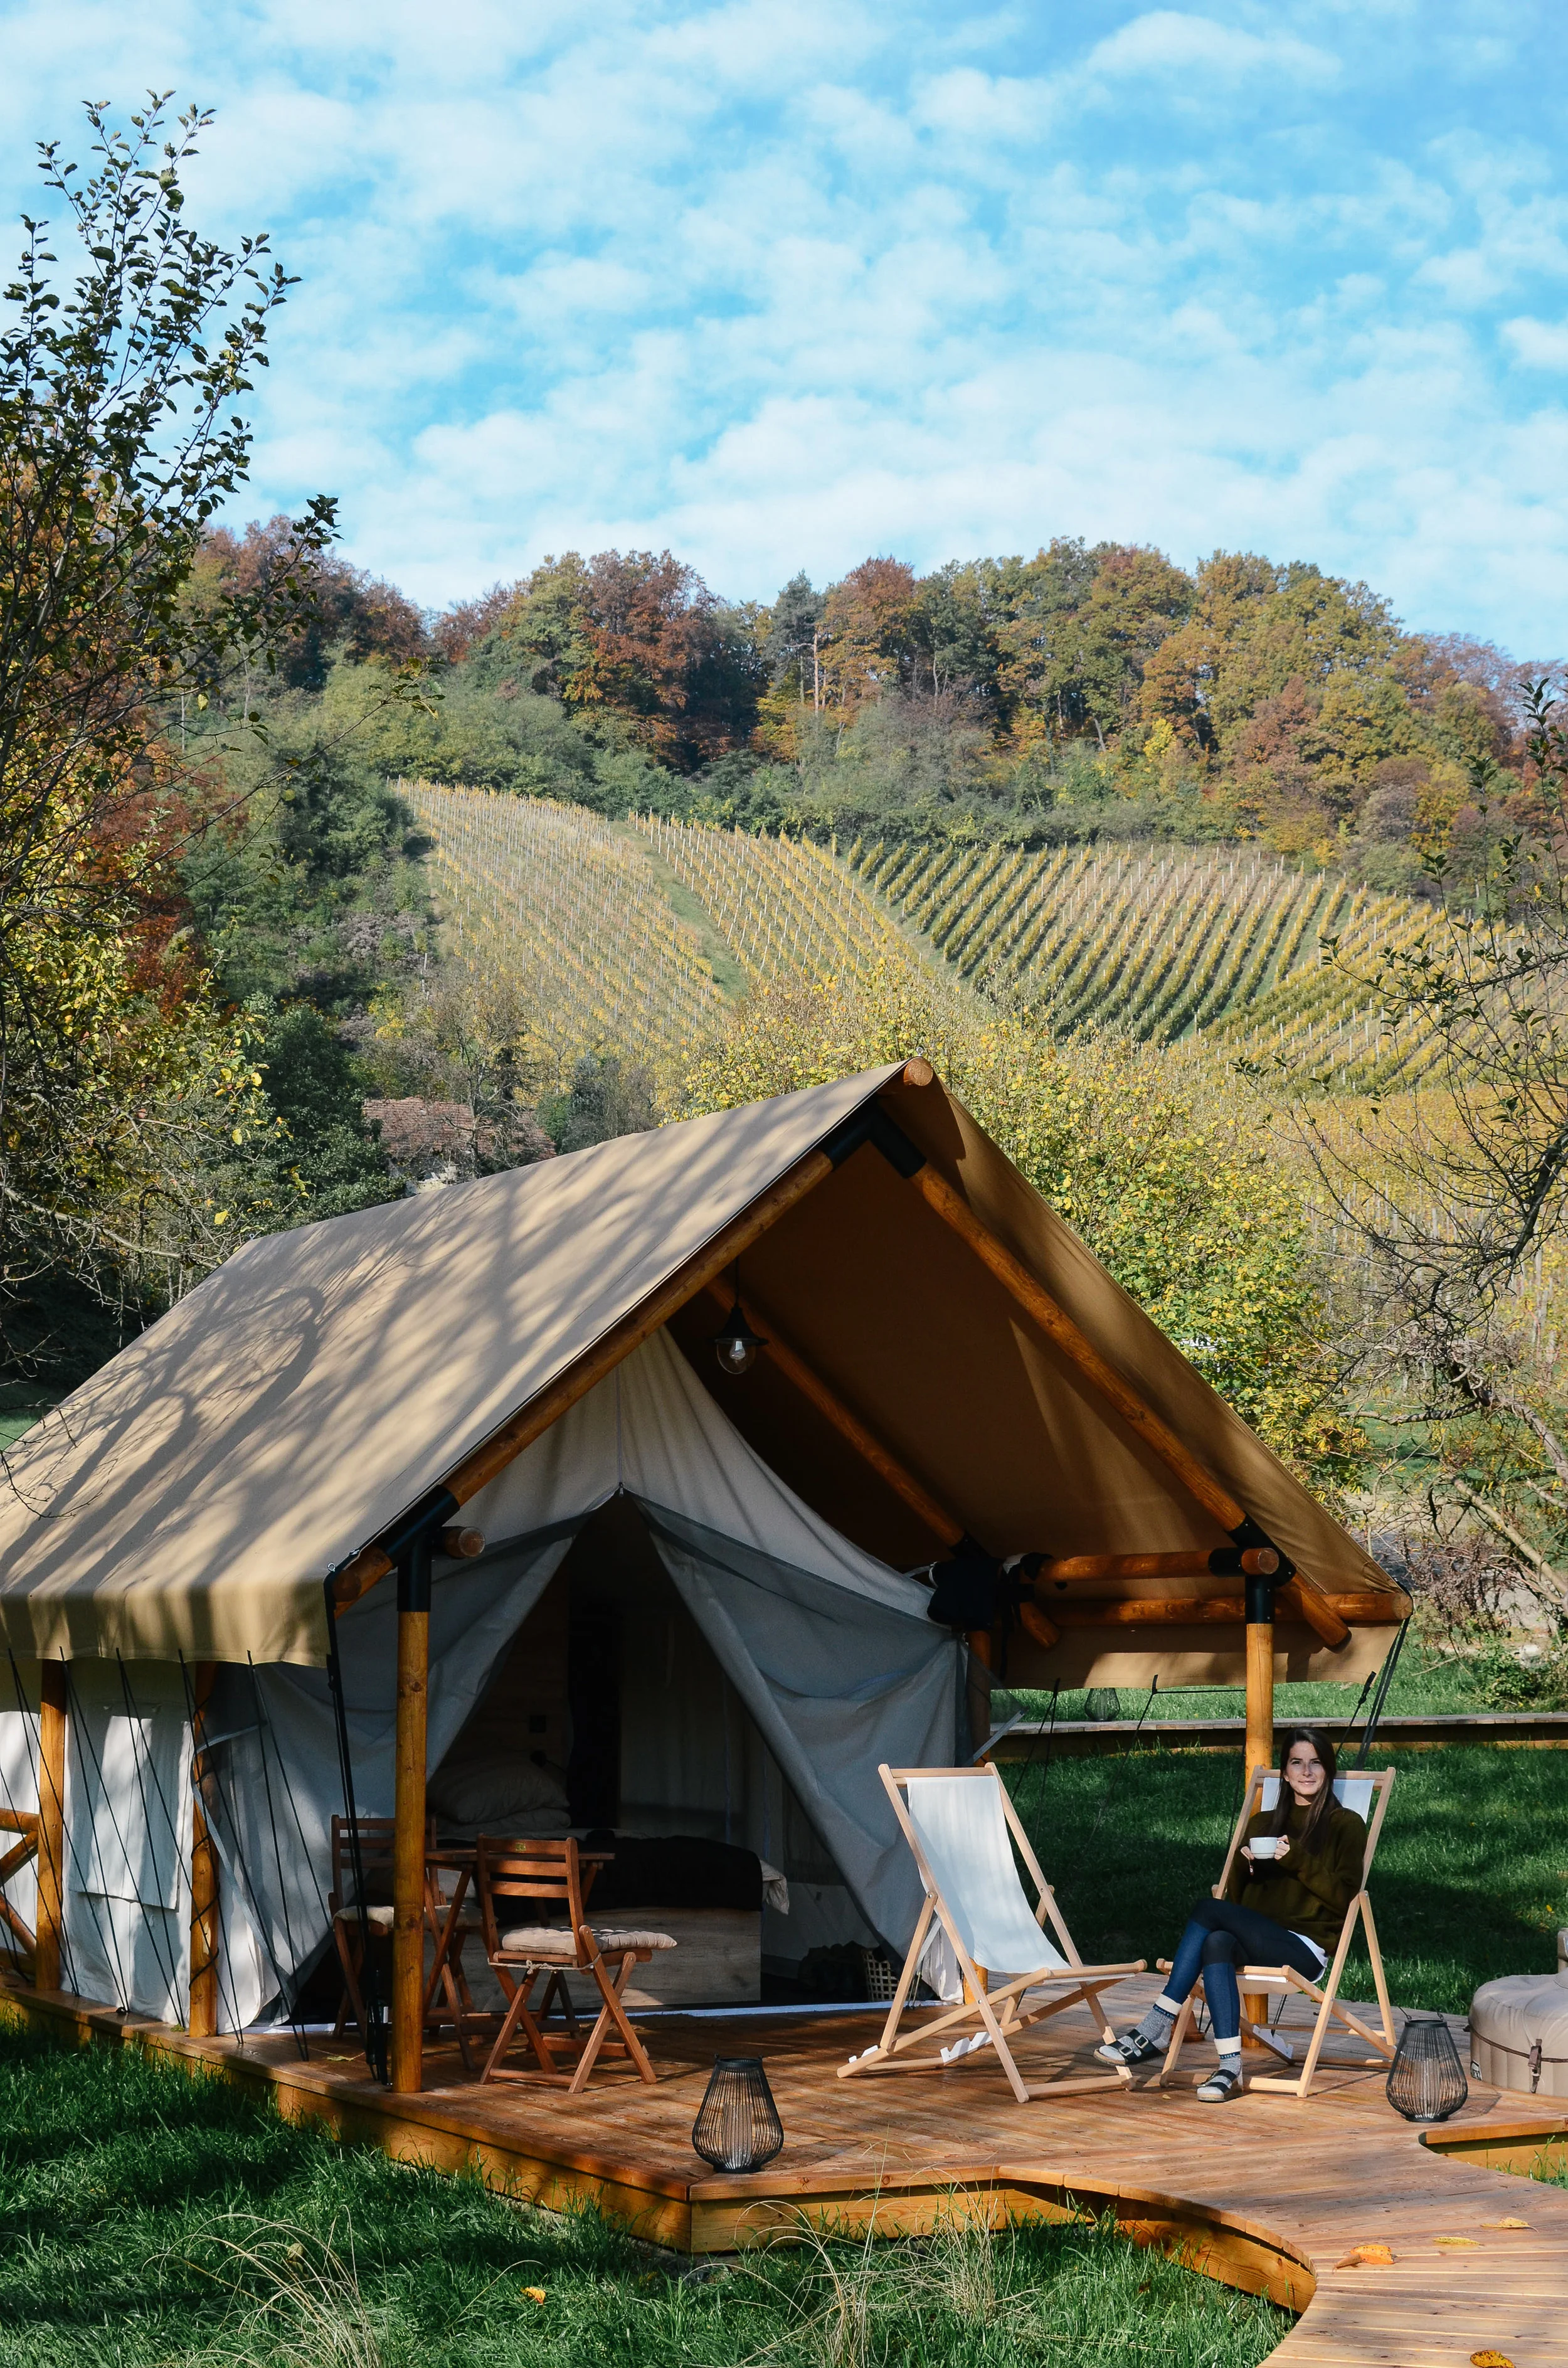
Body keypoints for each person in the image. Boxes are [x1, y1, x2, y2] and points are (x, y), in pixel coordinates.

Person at [1096, 1726, 1366, 2101]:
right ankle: (1229, 2066)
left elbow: (1342, 1898)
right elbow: (1239, 1907)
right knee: (1218, 1941)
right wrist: (1246, 1868)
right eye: (1296, 1763)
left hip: (1304, 1948)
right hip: (1260, 1936)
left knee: (1207, 1910)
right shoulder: (1261, 1826)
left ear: (1328, 1770)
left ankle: (1158, 2024)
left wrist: (1298, 1861)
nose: (1306, 1772)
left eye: (1316, 1763)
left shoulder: (1346, 1826)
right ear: (1285, 1773)